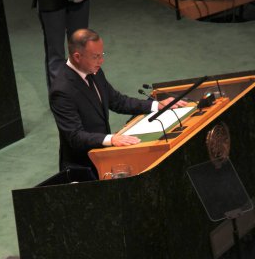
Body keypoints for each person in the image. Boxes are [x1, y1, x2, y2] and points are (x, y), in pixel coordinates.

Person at [49, 29, 187, 175]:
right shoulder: (62, 91)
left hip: (103, 156)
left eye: (101, 55)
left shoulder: (93, 70)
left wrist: (156, 105)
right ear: (77, 57)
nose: (101, 61)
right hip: (83, 167)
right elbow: (75, 136)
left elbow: (117, 101)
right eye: (96, 56)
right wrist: (111, 139)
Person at [32, 0, 90, 89]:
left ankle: (81, 99)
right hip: (51, 0)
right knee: (56, 57)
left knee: (80, 52)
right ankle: (61, 101)